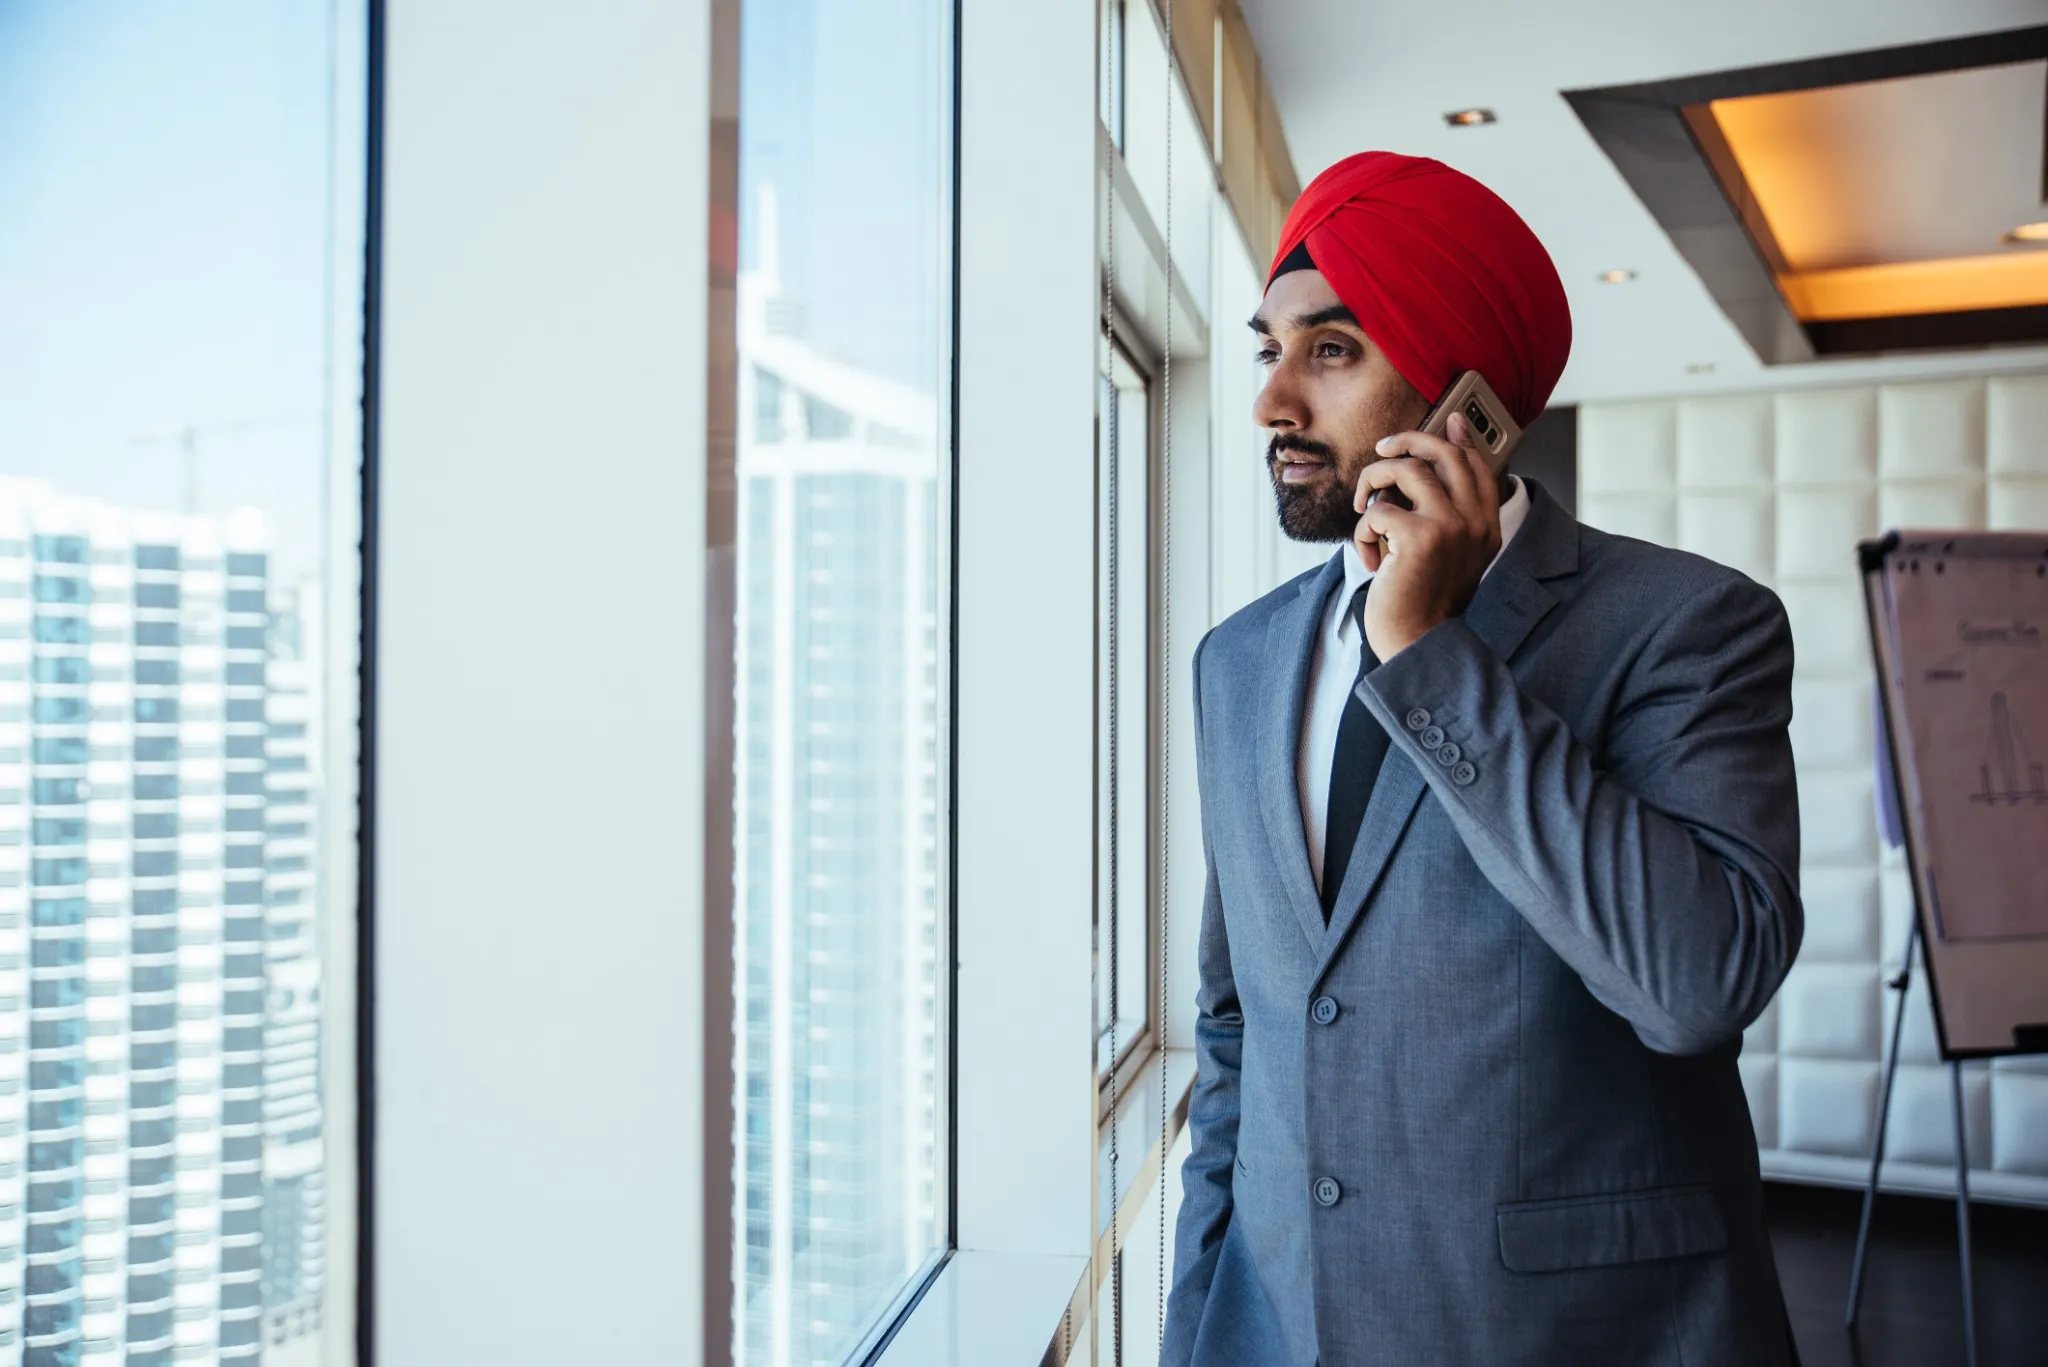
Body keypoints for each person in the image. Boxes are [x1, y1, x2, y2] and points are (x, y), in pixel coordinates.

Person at [1161, 150, 1803, 1366]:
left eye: (1331, 350)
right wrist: (1197, 1326)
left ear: (1467, 404)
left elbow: (1695, 984)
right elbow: (1239, 1025)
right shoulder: (1233, 663)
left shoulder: (1688, 624)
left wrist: (1432, 652)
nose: (1270, 402)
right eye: (1268, 349)